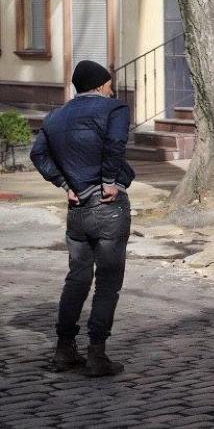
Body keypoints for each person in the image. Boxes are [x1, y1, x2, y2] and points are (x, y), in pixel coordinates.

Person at [30, 60, 135, 377]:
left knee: (76, 278)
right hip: (107, 207)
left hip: (76, 207)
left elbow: (38, 154)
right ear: (102, 84)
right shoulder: (114, 110)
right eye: (110, 83)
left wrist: (63, 184)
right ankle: (96, 354)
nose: (112, 88)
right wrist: (109, 182)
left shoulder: (56, 115)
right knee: (107, 282)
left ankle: (64, 350)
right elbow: (115, 144)